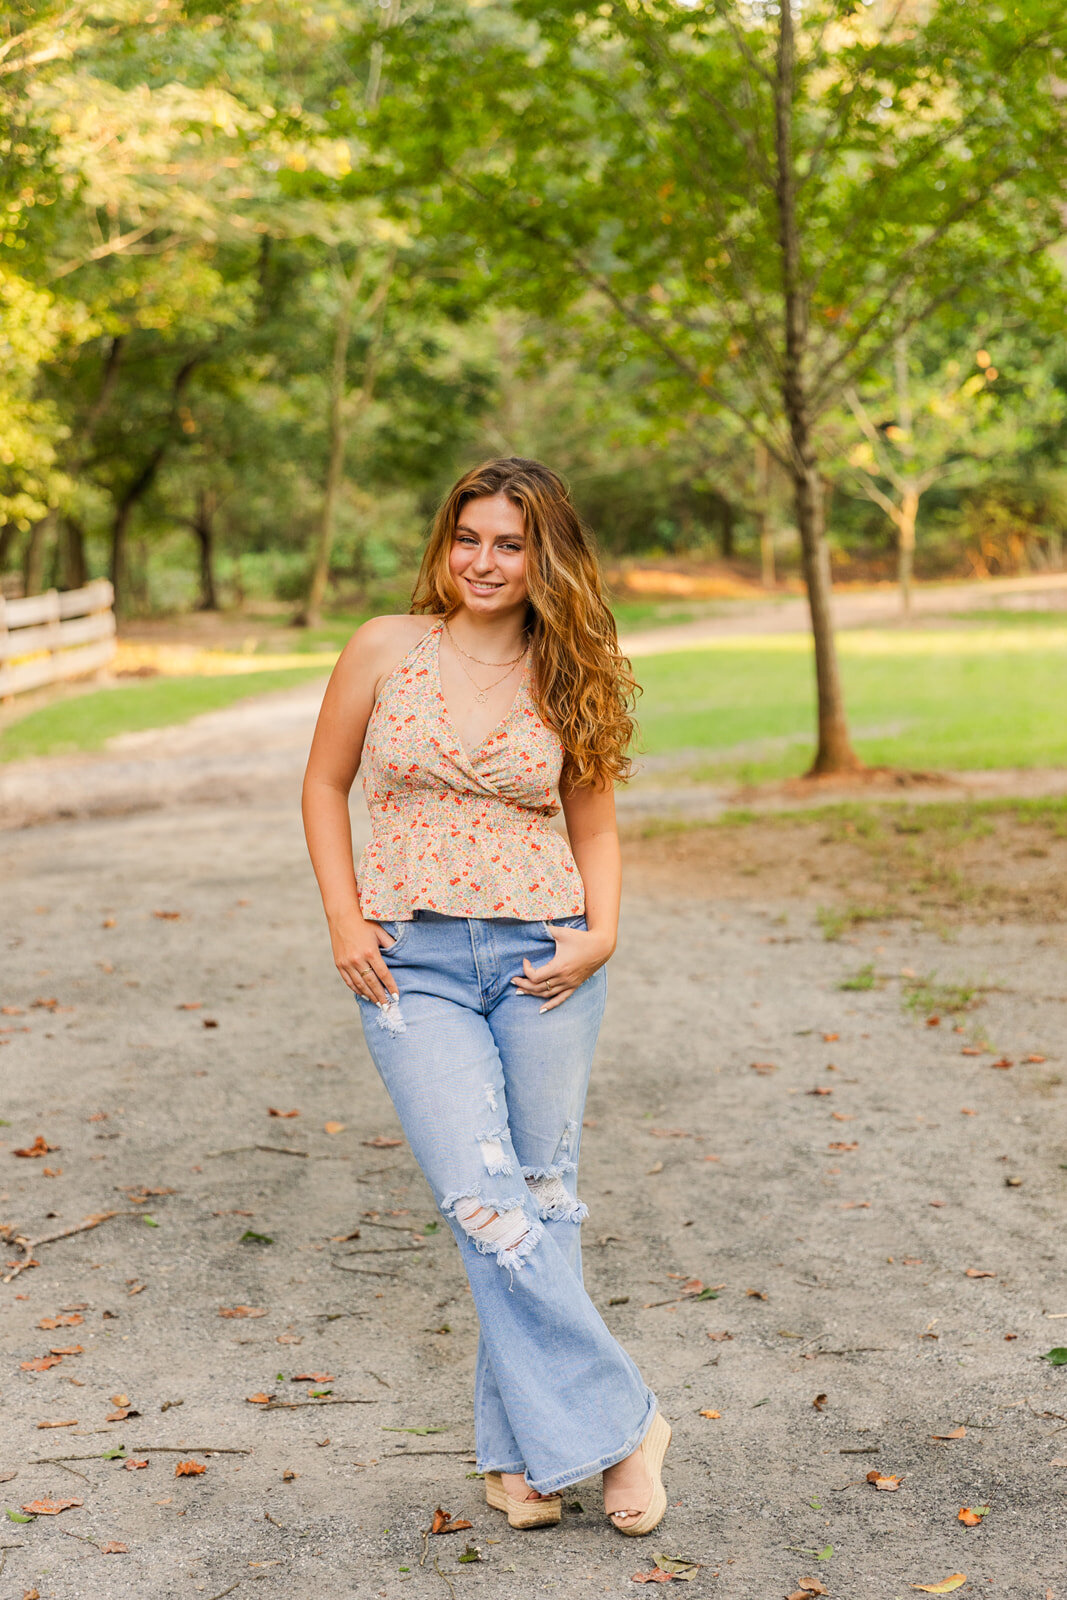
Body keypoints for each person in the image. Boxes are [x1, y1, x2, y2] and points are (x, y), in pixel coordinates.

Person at [301, 457, 670, 1535]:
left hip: (540, 961)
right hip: (408, 960)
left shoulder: (570, 666)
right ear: (443, 541)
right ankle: (626, 1423)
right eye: (468, 537)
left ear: (541, 553)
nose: (483, 561)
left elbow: (591, 820)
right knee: (485, 1201)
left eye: (508, 543)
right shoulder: (383, 648)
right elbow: (324, 784)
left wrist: (601, 932)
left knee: (542, 1200)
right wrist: (341, 914)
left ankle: (516, 1460)